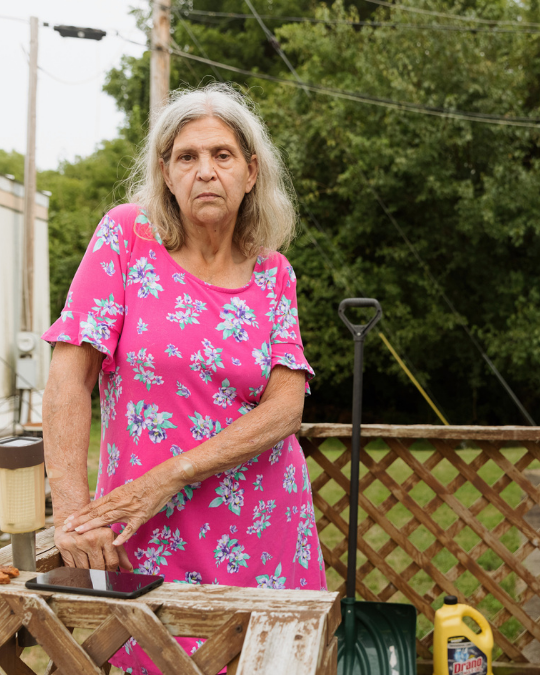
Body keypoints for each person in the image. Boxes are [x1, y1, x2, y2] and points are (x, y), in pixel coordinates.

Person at [42, 83, 325, 673]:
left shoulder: (274, 272)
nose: (205, 171)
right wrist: (73, 516)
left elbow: (286, 407)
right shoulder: (126, 238)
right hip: (149, 529)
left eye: (222, 155)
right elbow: (70, 379)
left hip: (264, 528)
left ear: (251, 172)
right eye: (187, 157)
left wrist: (169, 475)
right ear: (166, 173)